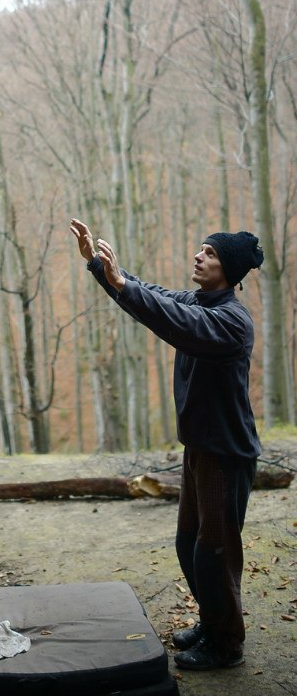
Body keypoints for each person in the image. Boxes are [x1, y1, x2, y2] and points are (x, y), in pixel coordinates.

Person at [70, 219, 264, 671]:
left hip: (225, 454)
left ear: (229, 269)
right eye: (200, 250)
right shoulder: (201, 300)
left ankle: (226, 643)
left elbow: (175, 320)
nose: (199, 257)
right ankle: (212, 621)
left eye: (210, 254)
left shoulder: (230, 321)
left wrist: (119, 281)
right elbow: (155, 298)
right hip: (200, 448)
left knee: (213, 552)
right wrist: (103, 269)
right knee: (187, 545)